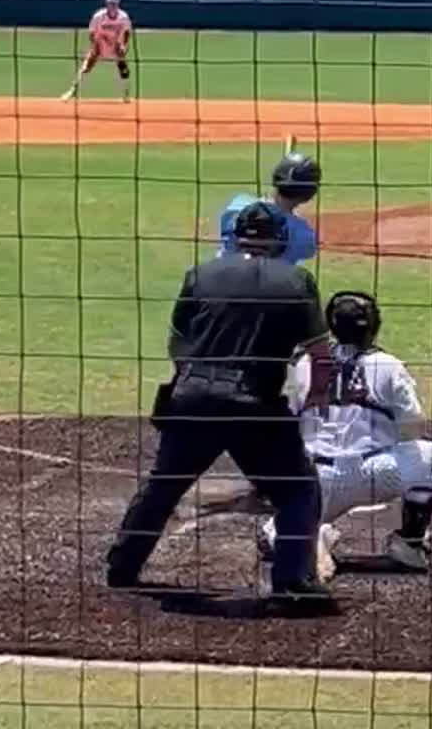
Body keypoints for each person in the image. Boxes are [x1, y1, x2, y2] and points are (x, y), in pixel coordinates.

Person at [106, 201, 333, 601]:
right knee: (297, 490)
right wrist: (315, 395)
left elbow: (178, 342)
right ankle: (292, 582)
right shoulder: (297, 282)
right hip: (255, 404)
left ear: (234, 236)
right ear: (278, 240)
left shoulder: (201, 274)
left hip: (193, 398)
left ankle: (122, 565)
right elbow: (320, 353)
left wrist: (194, 382)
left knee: (164, 484)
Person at [260, 290, 432, 578]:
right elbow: (414, 424)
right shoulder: (388, 365)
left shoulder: (305, 363)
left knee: (276, 532)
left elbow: (290, 418)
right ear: (373, 325)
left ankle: (306, 537)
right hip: (379, 474)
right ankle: (409, 547)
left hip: (316, 481)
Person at [217, 152, 320, 264]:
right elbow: (307, 250)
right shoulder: (303, 235)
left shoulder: (236, 206)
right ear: (309, 195)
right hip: (270, 281)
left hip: (222, 278)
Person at [62, 0, 133, 101]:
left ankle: (126, 94)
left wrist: (124, 45)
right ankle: (72, 91)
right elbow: (91, 32)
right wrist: (95, 45)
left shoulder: (123, 17)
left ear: (118, 4)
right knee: (85, 68)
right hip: (100, 45)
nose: (112, 6)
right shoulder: (98, 16)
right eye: (110, 3)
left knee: (124, 69)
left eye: (115, 4)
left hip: (115, 46)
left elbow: (127, 31)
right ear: (107, 4)